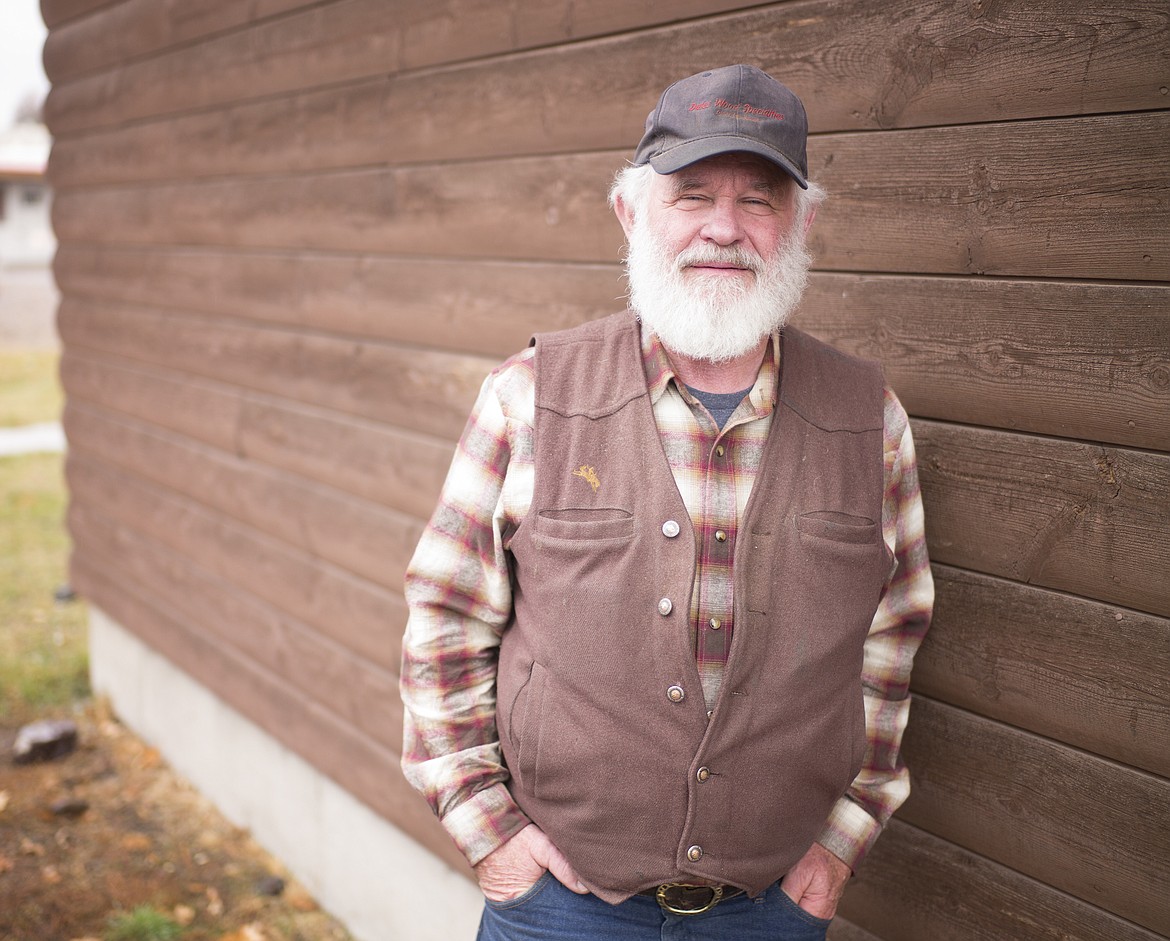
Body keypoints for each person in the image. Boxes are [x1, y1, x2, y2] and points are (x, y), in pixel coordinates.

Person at [400, 64, 934, 940]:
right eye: (692, 195)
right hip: (560, 909)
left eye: (758, 200)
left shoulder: (870, 420)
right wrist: (491, 837)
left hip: (769, 909)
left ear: (802, 223)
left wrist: (841, 844)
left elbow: (893, 639)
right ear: (630, 212)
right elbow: (445, 620)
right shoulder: (528, 396)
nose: (723, 228)